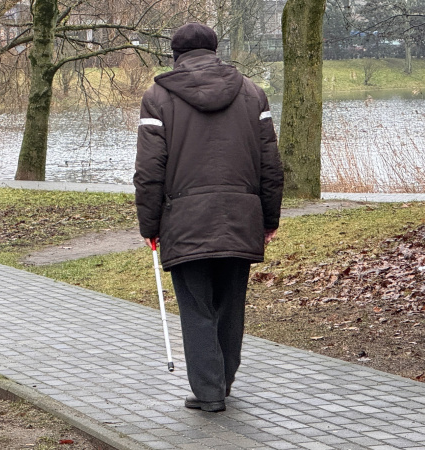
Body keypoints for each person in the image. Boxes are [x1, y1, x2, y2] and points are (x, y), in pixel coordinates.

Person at [133, 22, 284, 413]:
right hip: (240, 215)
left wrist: (150, 226)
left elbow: (149, 170)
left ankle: (209, 392)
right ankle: (223, 383)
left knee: (197, 307)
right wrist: (269, 218)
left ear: (176, 53)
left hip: (184, 220)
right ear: (215, 49)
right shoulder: (252, 93)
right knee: (231, 303)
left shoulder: (158, 97)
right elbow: (271, 165)